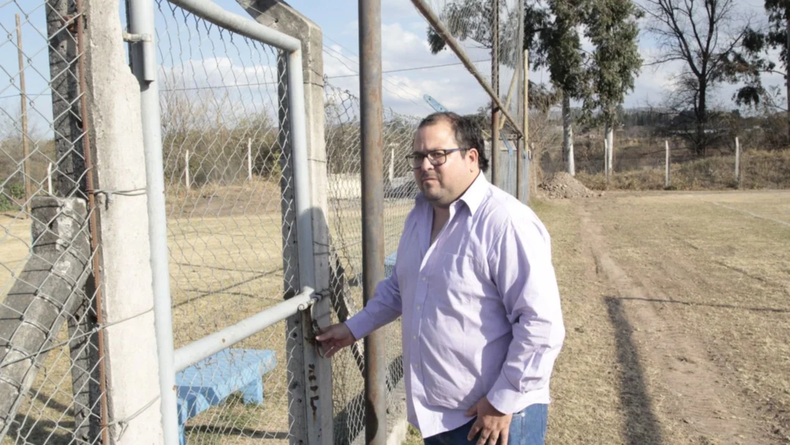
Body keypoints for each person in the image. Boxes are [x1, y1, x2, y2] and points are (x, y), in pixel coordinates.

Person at [316, 112, 564, 445]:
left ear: (471, 157)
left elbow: (541, 325)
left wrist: (501, 400)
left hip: (494, 420)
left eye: (438, 154)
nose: (425, 165)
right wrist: (352, 328)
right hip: (439, 418)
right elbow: (400, 288)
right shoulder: (419, 216)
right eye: (418, 156)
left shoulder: (506, 223)